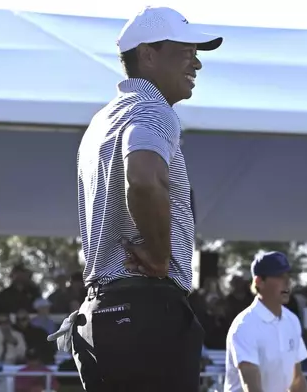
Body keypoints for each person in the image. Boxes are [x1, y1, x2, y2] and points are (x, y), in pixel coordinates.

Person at [49, 5, 222, 392]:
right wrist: (160, 255)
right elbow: (143, 177)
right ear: (148, 55)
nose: (196, 64)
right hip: (146, 313)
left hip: (102, 315)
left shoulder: (102, 120)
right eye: (185, 51)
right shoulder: (152, 108)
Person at [224, 252, 307, 392]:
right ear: (259, 282)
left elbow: (297, 380)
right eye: (279, 276)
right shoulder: (244, 326)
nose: (287, 282)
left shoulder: (292, 320)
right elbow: (252, 387)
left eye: (288, 276)